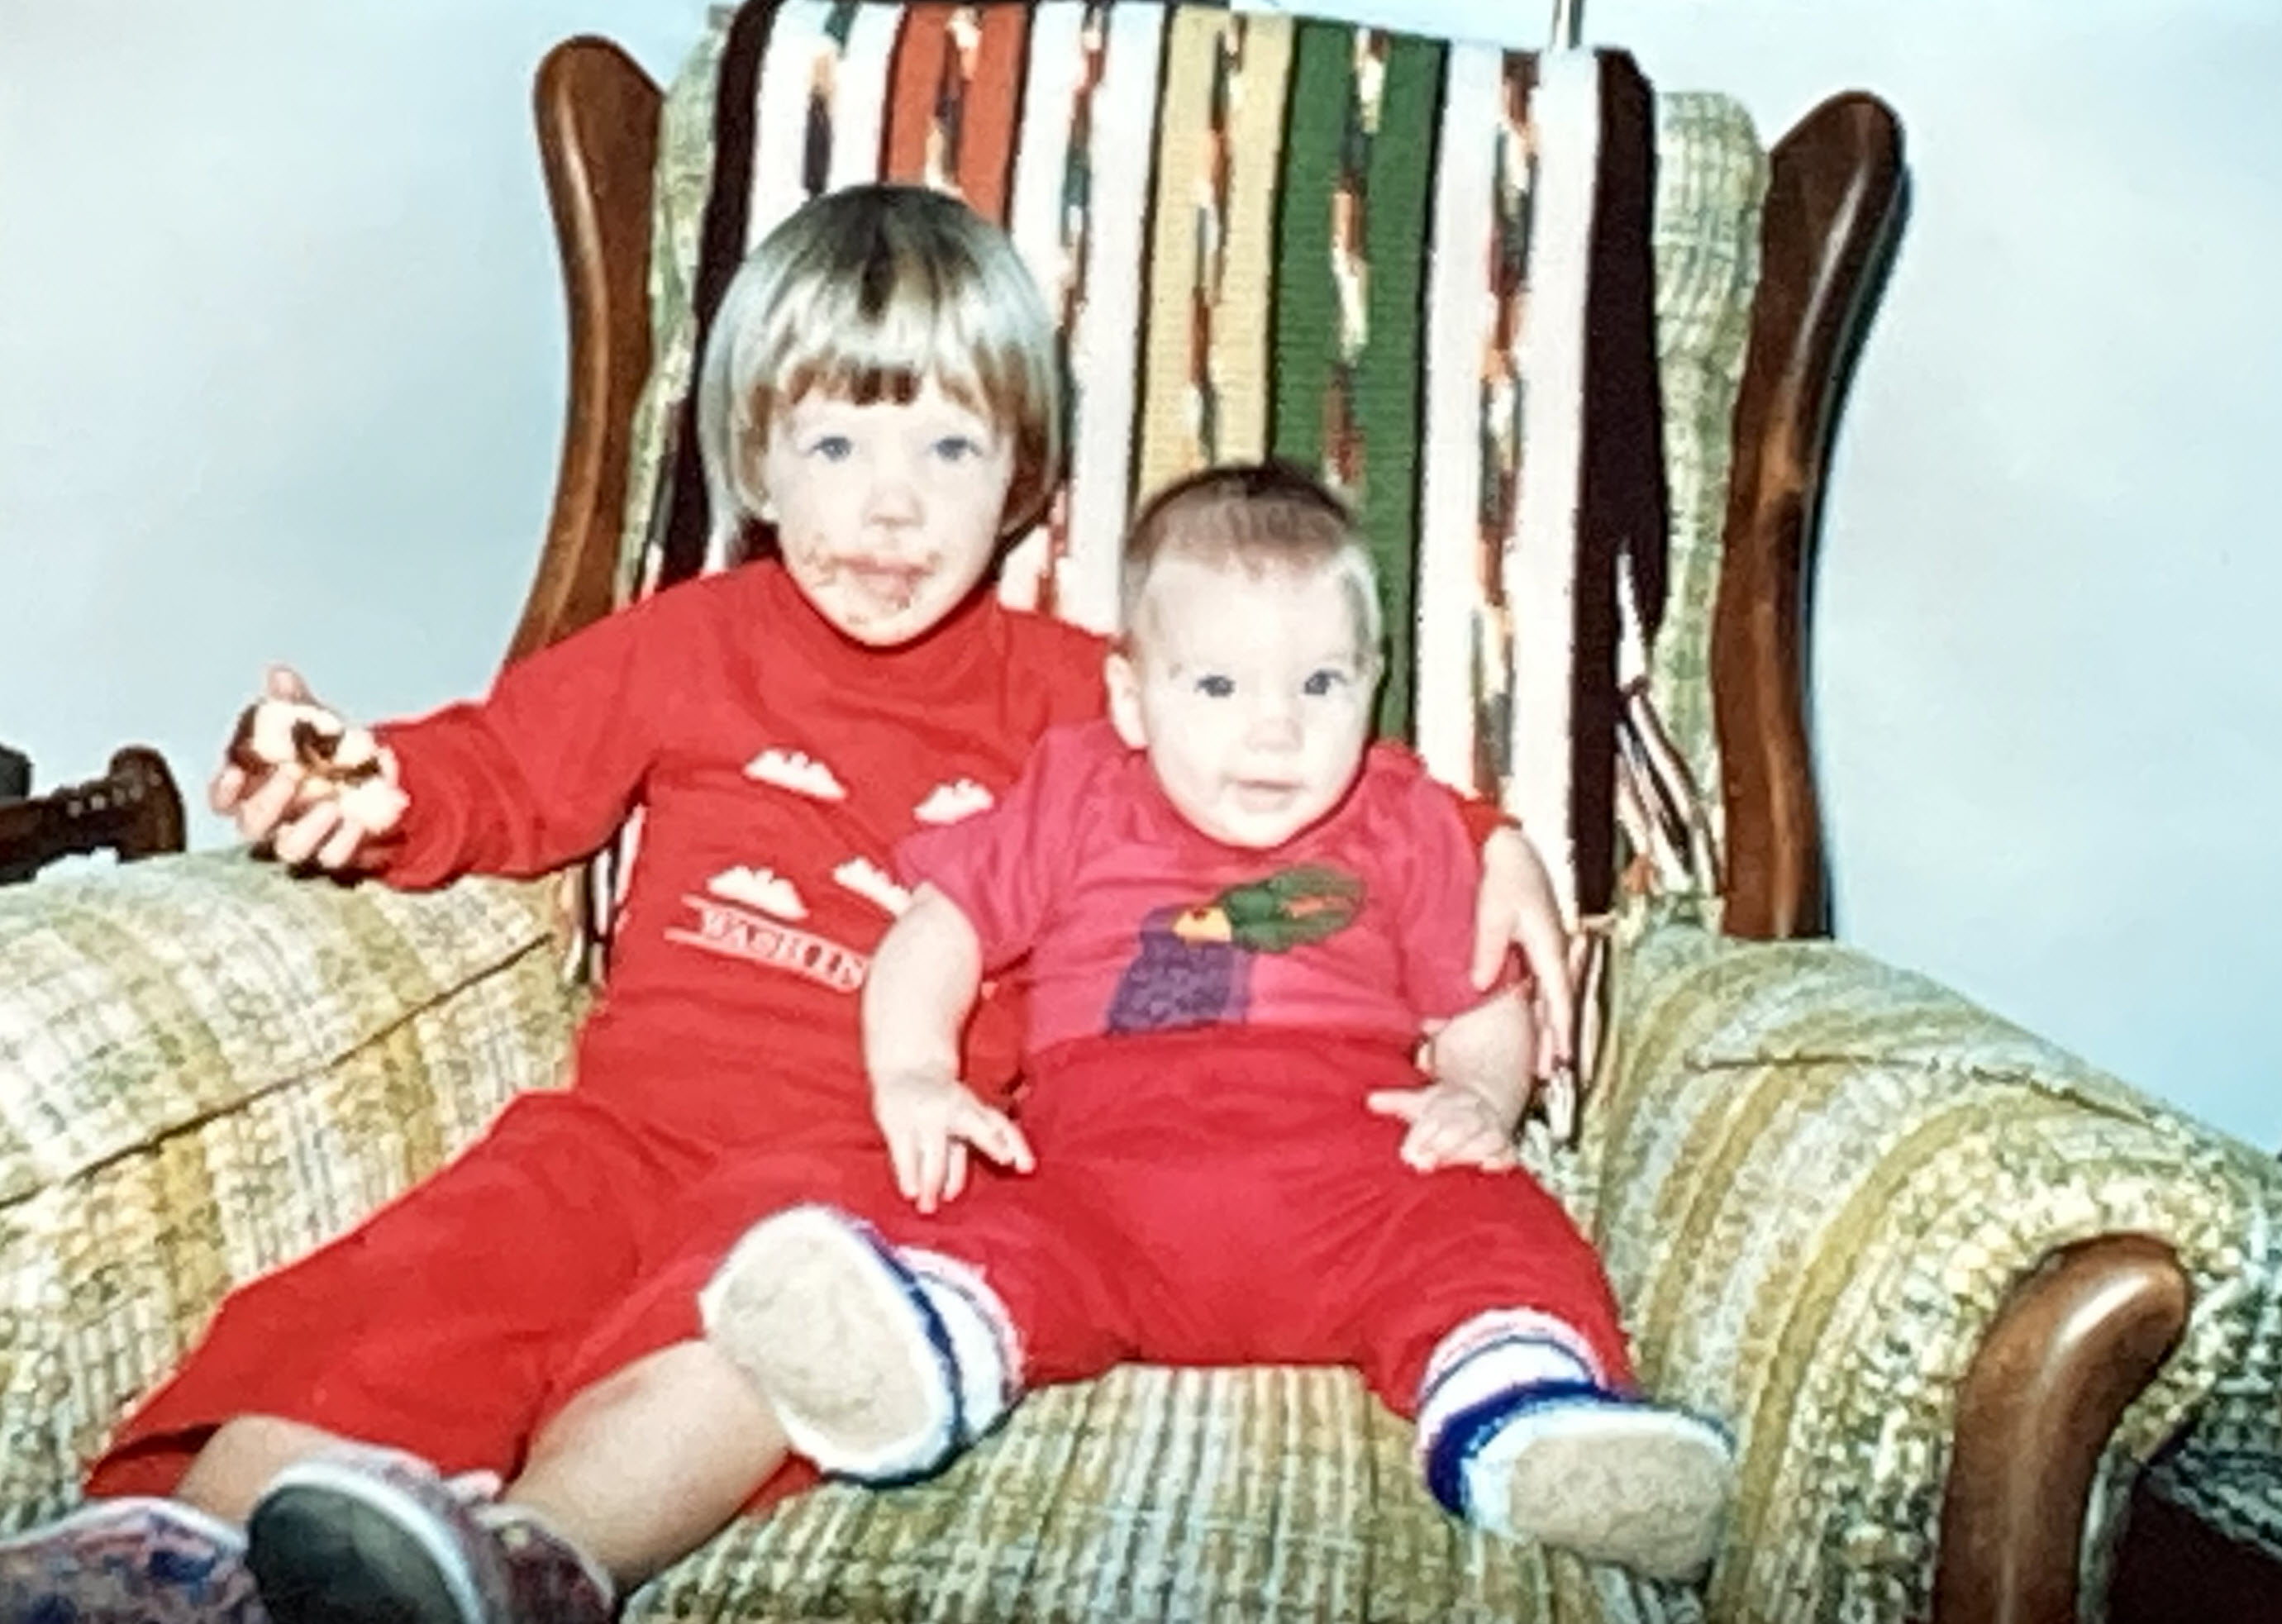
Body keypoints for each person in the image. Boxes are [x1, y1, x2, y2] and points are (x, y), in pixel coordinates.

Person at [0, 191, 1564, 1624]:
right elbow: (501, 768)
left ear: (1021, 472)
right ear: (754, 458)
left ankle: (530, 1558)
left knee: (747, 1341)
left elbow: (1287, 760)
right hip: (622, 1123)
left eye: (947, 450)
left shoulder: (1088, 694)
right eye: (836, 448)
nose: (890, 509)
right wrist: (371, 782)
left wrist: (1487, 837)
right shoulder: (687, 641)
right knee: (432, 1276)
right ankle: (179, 1557)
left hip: (889, 1150)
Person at [698, 464, 1735, 1584]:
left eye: (1321, 683)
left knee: (1494, 1231)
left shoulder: (1405, 817)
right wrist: (910, 1073)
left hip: (1359, 1179)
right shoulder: (1078, 790)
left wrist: (1478, 1098)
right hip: (1103, 1180)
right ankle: (922, 1352)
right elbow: (937, 931)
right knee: (999, 1235)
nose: (1276, 732)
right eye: (1220, 688)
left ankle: (1524, 1413)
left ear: (1372, 684)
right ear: (1134, 700)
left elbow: (1485, 995)